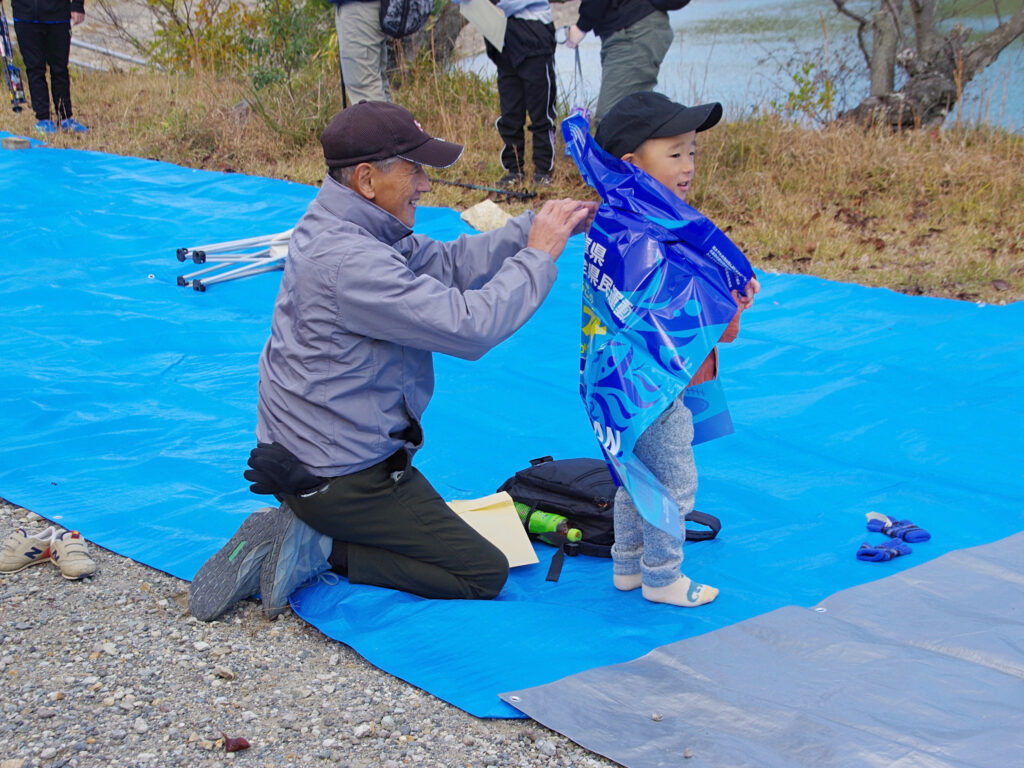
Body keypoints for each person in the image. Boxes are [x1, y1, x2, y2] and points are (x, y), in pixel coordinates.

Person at [189, 100, 597, 621]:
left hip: (318, 453)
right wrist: (538, 256)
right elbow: (471, 327)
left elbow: (449, 263)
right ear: (365, 179)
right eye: (415, 169)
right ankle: (320, 545)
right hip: (340, 476)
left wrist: (535, 227)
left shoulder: (349, 224)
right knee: (481, 572)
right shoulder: (350, 260)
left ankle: (316, 523)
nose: (426, 184)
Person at [589, 91, 759, 607]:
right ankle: (662, 577)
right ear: (631, 164)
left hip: (620, 386)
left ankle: (627, 566)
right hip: (656, 389)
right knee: (674, 485)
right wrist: (734, 304)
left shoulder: (621, 219)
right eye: (675, 153)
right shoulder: (658, 233)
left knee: (633, 476)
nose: (688, 166)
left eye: (692, 152)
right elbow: (692, 324)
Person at [457, 0, 557, 187]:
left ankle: (543, 171)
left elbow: (505, 5)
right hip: (502, 42)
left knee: (541, 114)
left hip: (534, 38)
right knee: (510, 113)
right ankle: (514, 170)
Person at [564, 0, 673, 124]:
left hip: (633, 29)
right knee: (634, 115)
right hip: (631, 27)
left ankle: (683, 135)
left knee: (610, 121)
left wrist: (581, 26)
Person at [11, 0, 88, 134]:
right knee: (34, 68)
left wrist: (77, 5)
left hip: (58, 16)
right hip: (25, 16)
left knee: (60, 69)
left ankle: (65, 117)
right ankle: (43, 118)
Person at [330, 0, 390, 104]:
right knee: (376, 87)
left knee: (365, 95)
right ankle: (388, 120)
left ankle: (376, 120)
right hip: (367, 10)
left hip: (358, 11)